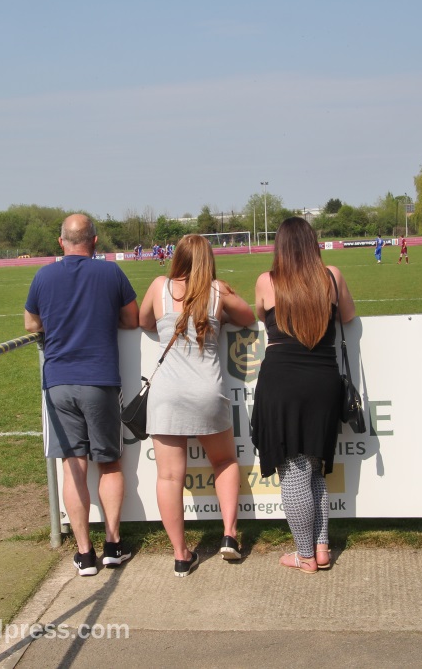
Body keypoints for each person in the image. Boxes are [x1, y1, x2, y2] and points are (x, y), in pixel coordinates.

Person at [24, 214, 139, 577]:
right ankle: (113, 545)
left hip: (58, 382)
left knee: (72, 466)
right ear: (95, 241)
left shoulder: (43, 276)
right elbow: (132, 319)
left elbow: (31, 324)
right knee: (110, 464)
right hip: (100, 380)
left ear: (61, 242)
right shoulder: (111, 273)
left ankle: (85, 553)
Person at [138, 235, 256, 577]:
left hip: (167, 393)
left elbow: (144, 321)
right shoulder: (218, 290)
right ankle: (229, 535)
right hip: (207, 391)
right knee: (224, 461)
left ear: (177, 258)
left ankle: (180, 554)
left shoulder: (159, 286)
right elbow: (248, 316)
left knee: (169, 476)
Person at [251, 217, 355, 574]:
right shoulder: (332, 277)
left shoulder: (267, 281)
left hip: (281, 381)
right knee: (314, 468)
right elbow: (349, 315)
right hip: (323, 380)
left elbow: (261, 314)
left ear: (280, 247)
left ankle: (305, 555)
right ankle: (320, 549)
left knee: (294, 473)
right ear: (313, 243)